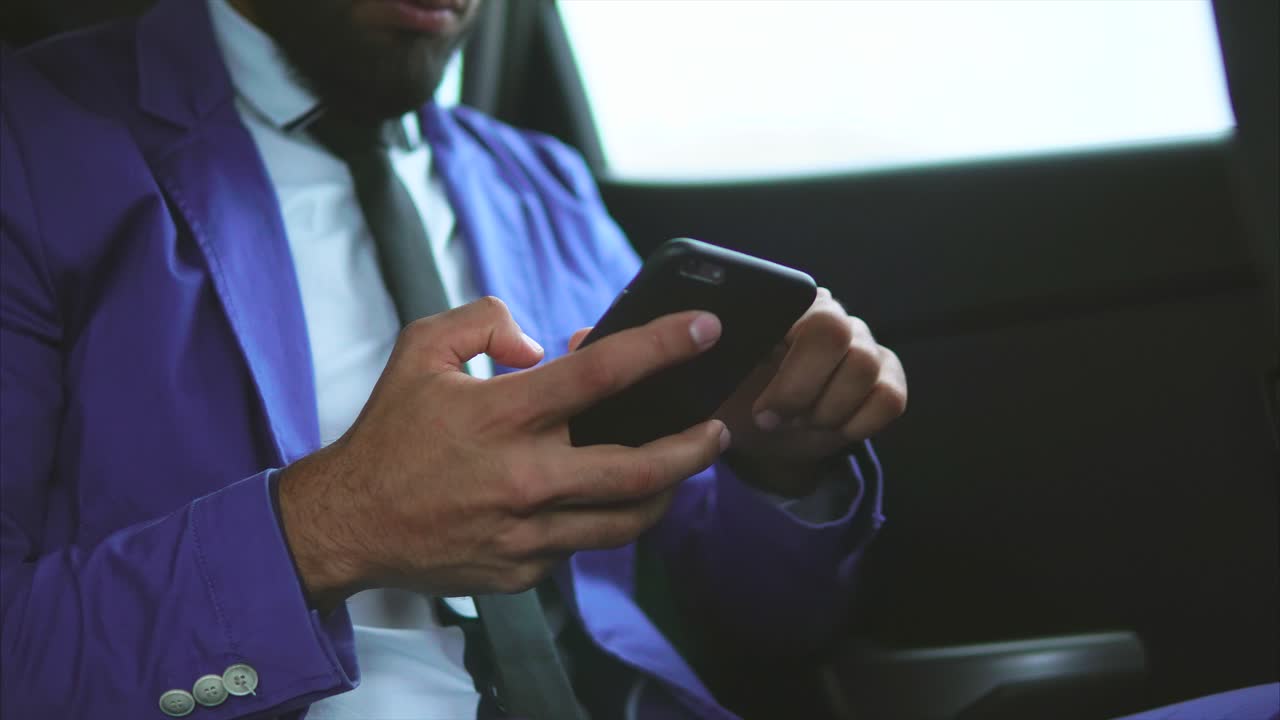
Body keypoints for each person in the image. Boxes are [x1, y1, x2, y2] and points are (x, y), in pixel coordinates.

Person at [0, 1, 906, 718]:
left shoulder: (544, 182)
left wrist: (780, 467)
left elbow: (766, 626)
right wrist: (332, 527)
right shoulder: (31, 141)